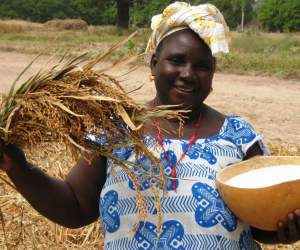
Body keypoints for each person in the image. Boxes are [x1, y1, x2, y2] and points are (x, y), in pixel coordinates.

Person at [0, 2, 300, 249]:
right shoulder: (115, 129)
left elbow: (258, 222)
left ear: (212, 73)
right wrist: (19, 168)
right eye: (177, 60)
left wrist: (284, 230)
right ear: (154, 63)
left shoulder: (239, 137)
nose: (188, 74)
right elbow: (76, 206)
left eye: (202, 66)